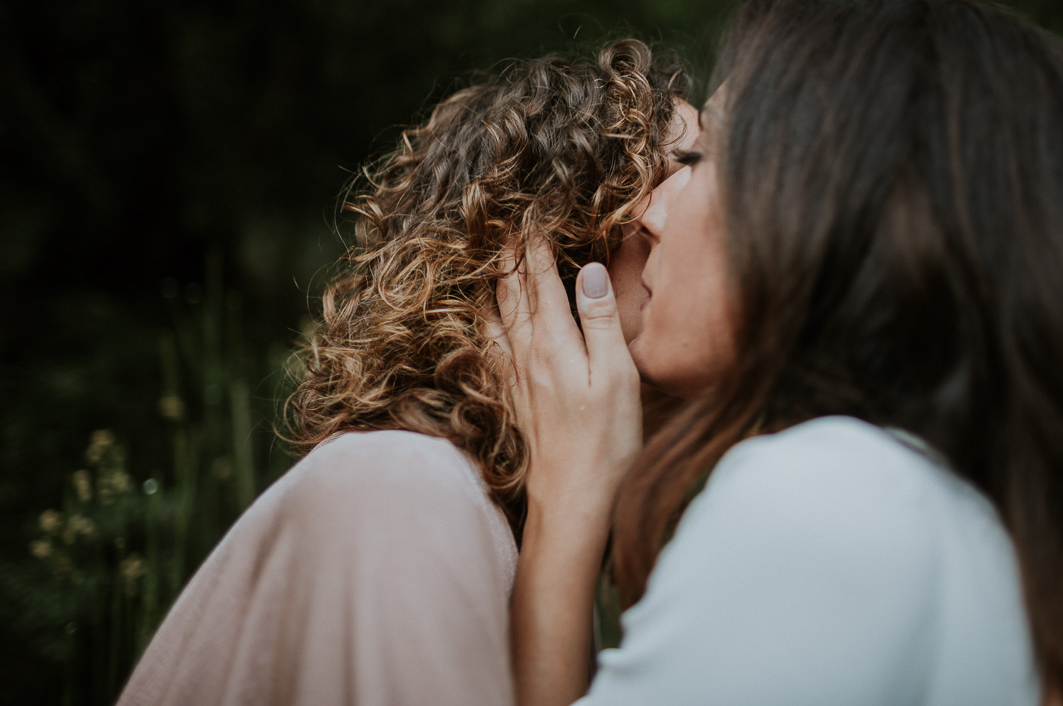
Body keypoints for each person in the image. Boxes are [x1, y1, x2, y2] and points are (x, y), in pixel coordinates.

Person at [500, 0, 1063, 706]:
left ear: (823, 206)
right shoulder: (971, 509)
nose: (649, 211)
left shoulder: (821, 498)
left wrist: (565, 508)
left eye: (698, 158)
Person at [115, 39, 697, 706]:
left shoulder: (516, 519)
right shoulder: (403, 490)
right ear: (562, 242)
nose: (729, 205)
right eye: (689, 167)